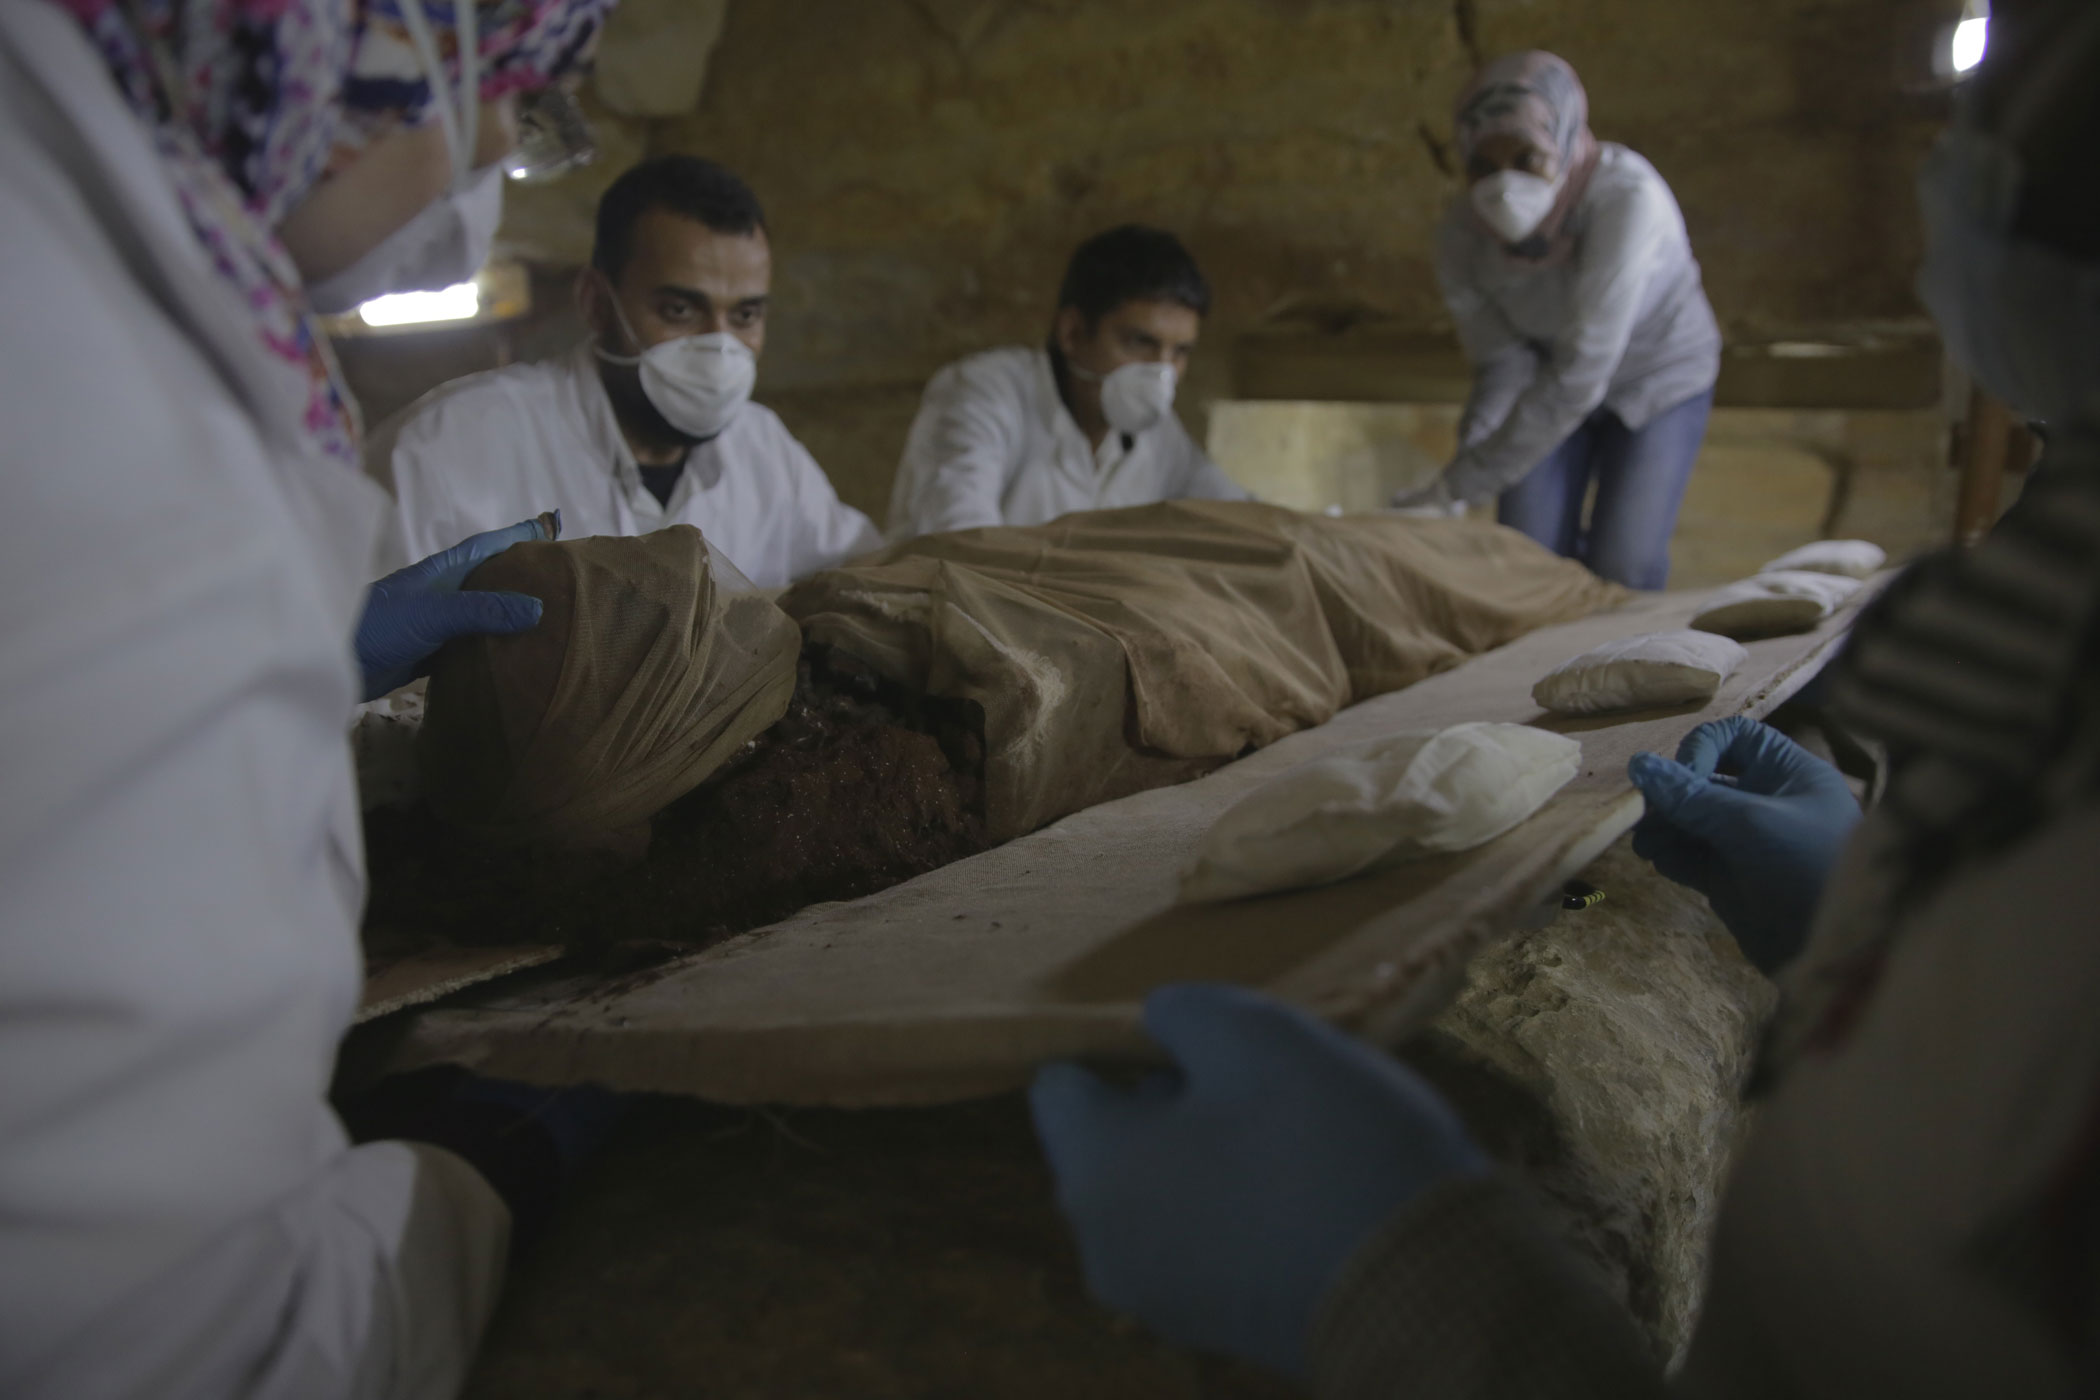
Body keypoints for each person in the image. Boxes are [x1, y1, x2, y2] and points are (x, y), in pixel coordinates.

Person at [1030, 5, 2100, 1393]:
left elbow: (1589, 376)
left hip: (1644, 374)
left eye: (1991, 122)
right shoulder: (2046, 646)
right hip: (1541, 389)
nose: (1944, 172)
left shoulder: (1635, 207)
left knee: (1616, 561)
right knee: (1530, 548)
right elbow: (1506, 377)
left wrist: (1437, 1302)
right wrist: (1862, 923)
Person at [0, 0, 616, 1394]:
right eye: (514, 79)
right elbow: (183, 1342)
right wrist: (473, 1174)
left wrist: (302, 656)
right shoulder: (127, 435)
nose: (505, 135)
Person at [370, 154, 882, 588]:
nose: (718, 346)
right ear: (595, 304)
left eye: (744, 315)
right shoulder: (443, 451)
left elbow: (860, 579)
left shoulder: (764, 452)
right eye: (680, 311)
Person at [1394, 52, 1722, 591]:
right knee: (1528, 560)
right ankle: (1541, 676)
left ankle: (1627, 666)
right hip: (1548, 382)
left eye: (1527, 158)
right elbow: (1500, 365)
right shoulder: (1461, 236)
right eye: (1483, 164)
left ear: (1566, 144)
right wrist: (1461, 471)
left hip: (1655, 379)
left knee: (1627, 563)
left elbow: (1582, 371)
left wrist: (1460, 483)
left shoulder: (1626, 201)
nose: (1503, 184)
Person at [885, 223, 1249, 539]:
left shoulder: (1159, 438)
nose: (1161, 372)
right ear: (1072, 333)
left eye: (1180, 352)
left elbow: (1238, 518)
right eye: (1139, 342)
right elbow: (958, 541)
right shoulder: (984, 394)